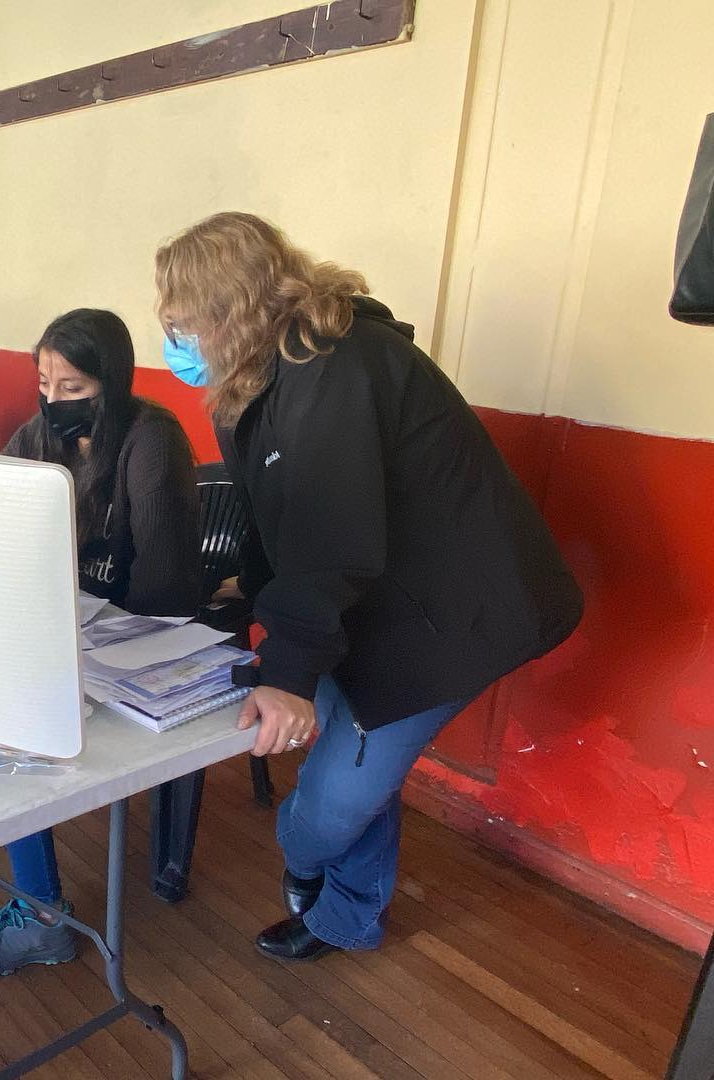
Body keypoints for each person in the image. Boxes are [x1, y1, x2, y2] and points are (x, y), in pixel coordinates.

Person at [153, 212, 583, 961]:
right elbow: (275, 514)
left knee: (323, 808)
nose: (178, 340)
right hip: (369, 601)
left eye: (185, 320)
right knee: (347, 777)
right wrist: (249, 591)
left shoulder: (332, 365)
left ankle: (304, 868)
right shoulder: (258, 380)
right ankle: (344, 919)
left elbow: (329, 536)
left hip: (446, 615)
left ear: (231, 308)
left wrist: (288, 671)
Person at [0, 308, 203, 978]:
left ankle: (42, 917)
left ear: (111, 383)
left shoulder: (150, 440)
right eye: (43, 382)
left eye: (72, 388)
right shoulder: (44, 431)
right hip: (70, 623)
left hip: (139, 635)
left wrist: (77, 629)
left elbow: (162, 587)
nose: (51, 400)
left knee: (13, 724)